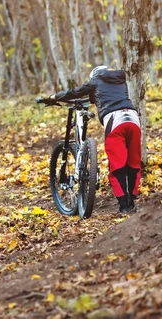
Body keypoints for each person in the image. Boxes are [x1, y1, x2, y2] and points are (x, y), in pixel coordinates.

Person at [39, 66, 141, 214]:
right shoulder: (120, 81)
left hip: (115, 121)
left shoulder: (95, 81)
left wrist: (55, 97)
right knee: (133, 163)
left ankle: (124, 206)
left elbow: (75, 92)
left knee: (117, 165)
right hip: (132, 118)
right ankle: (132, 201)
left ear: (95, 75)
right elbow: (98, 97)